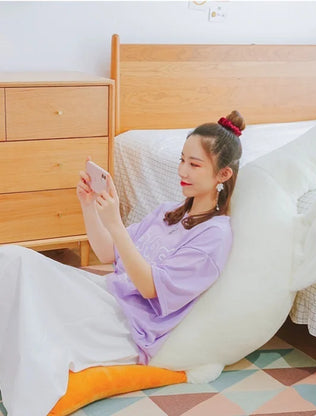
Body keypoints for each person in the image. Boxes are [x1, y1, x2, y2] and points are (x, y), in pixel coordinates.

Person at [0, 110, 245, 416]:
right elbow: (108, 254)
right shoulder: (167, 212)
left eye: (194, 164)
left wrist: (115, 223)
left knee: (25, 287)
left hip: (128, 323)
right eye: (182, 159)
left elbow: (150, 288)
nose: (182, 170)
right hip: (105, 292)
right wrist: (89, 207)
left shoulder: (214, 237)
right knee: (11, 260)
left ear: (223, 175)